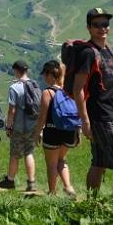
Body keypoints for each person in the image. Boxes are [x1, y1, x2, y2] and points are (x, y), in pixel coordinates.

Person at [73, 8, 113, 205]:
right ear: (89, 28)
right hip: (100, 116)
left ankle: (91, 206)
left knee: (98, 162)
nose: (102, 28)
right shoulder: (88, 53)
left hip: (111, 115)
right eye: (97, 25)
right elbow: (78, 88)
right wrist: (85, 121)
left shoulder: (110, 51)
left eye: (105, 24)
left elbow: (112, 87)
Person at [33, 60, 78, 196]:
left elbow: (42, 116)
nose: (44, 78)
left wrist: (37, 132)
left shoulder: (48, 92)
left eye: (45, 75)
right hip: (70, 130)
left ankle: (52, 192)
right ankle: (68, 186)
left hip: (52, 130)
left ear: (49, 75)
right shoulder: (69, 91)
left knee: (51, 163)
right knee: (61, 159)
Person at [0, 60, 39, 192]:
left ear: (16, 70)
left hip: (19, 127)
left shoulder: (14, 88)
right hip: (33, 125)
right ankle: (31, 182)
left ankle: (10, 180)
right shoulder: (35, 85)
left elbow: (12, 110)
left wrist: (8, 127)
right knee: (29, 152)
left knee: (15, 154)